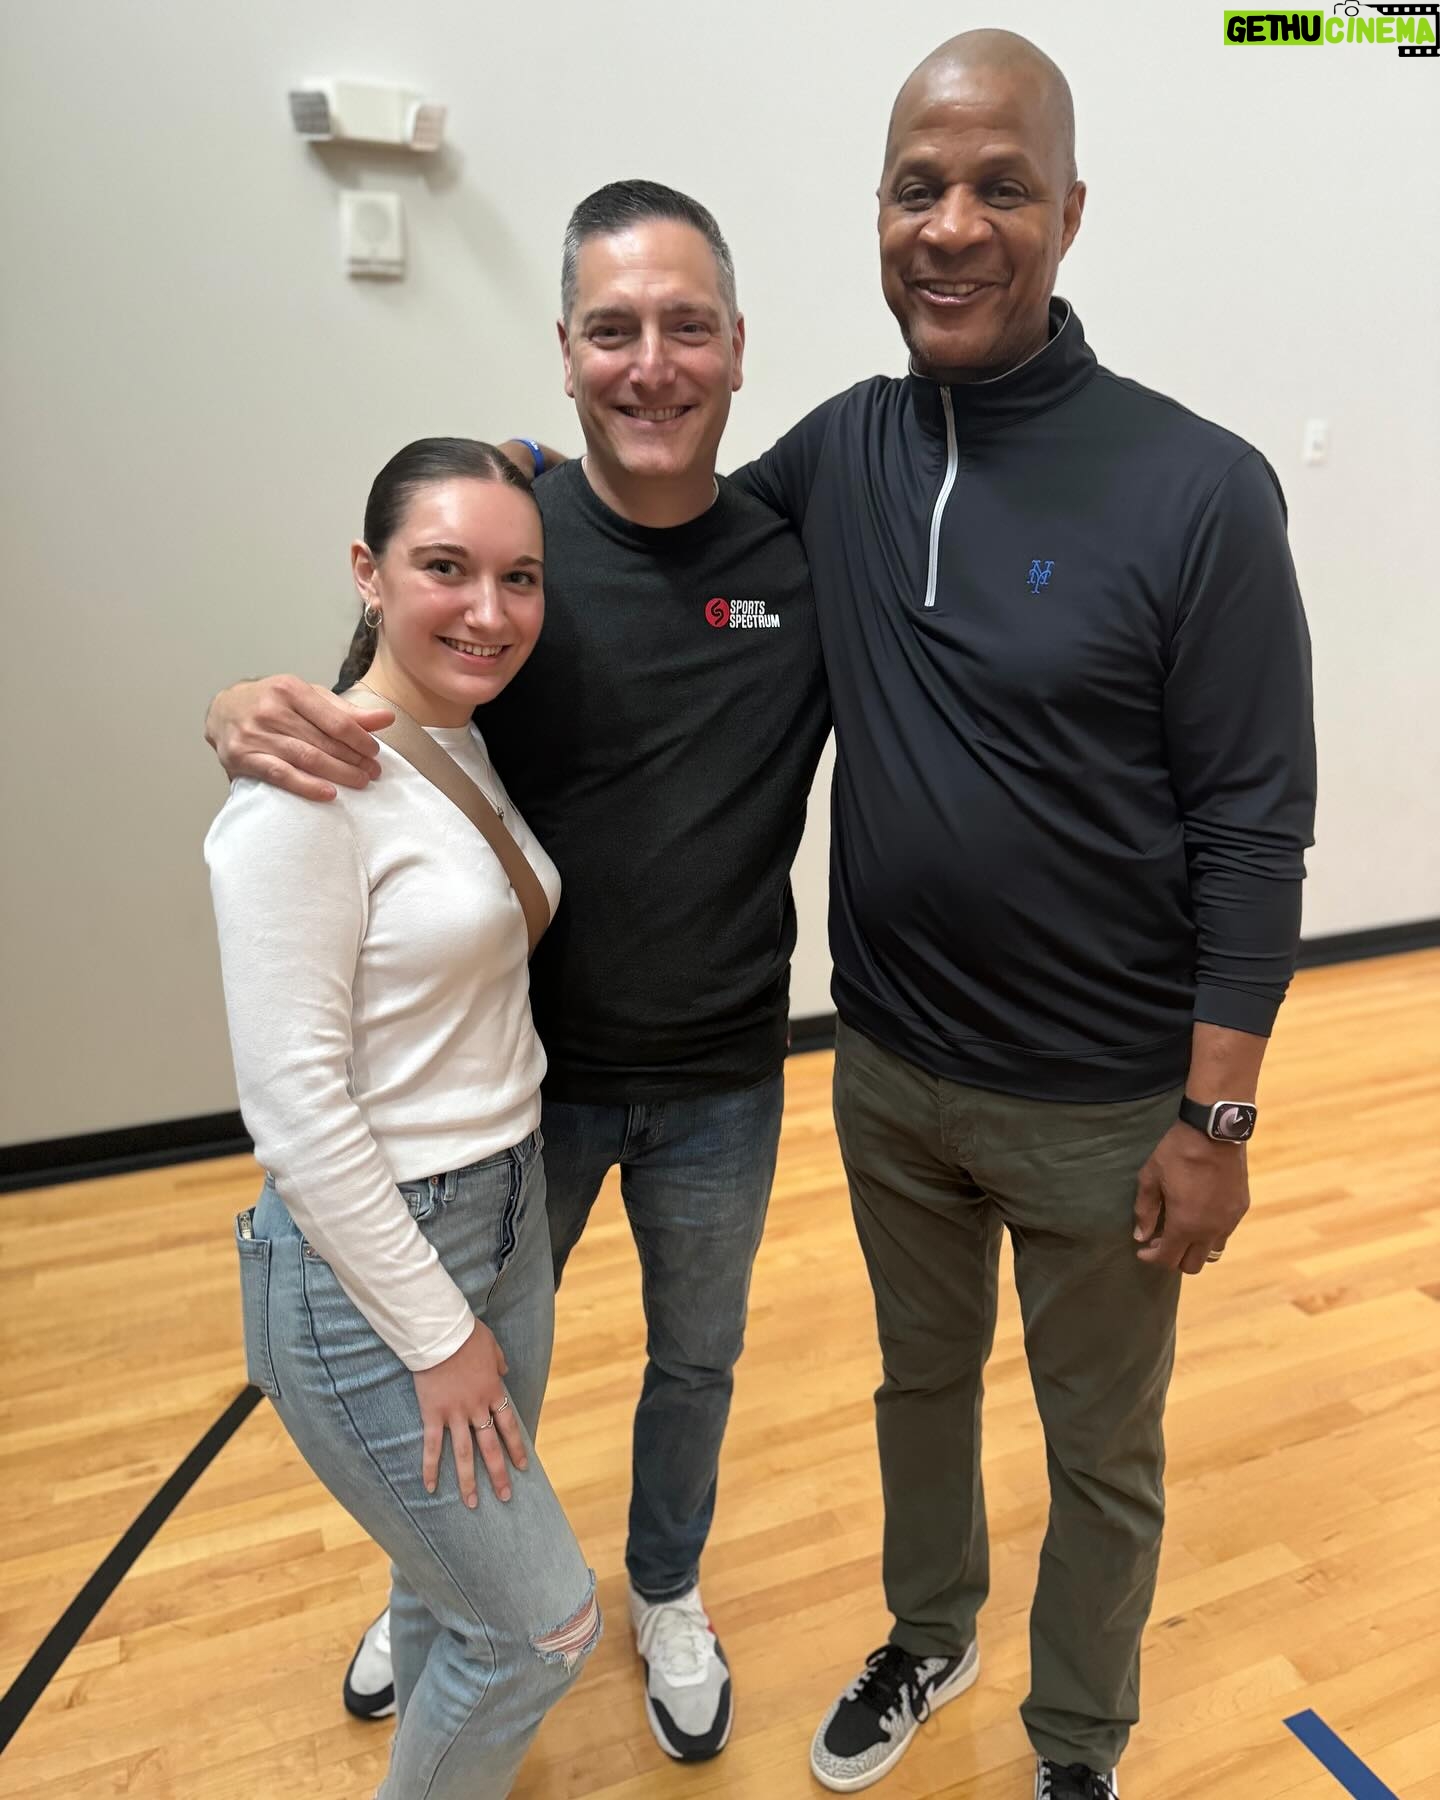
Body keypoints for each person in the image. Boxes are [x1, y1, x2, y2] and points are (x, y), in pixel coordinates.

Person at [724, 30, 1317, 1800]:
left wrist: (1215, 1122)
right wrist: (499, 498)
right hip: (891, 1074)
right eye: (919, 188)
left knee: (1100, 1454)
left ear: (1071, 212)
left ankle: (1077, 1746)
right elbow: (654, 555)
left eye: (1002, 187)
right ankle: (931, 1633)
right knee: (920, 1388)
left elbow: (1254, 828)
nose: (954, 225)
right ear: (878, 213)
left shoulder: (1199, 487)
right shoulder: (844, 451)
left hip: (1103, 1110)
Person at [204, 184, 830, 1763]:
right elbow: (373, 709)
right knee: (470, 1376)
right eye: (613, 328)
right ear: (563, 351)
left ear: (737, 345)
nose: (651, 361)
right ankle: (451, 1581)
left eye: (686, 325)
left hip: (723, 1079)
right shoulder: (520, 543)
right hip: (518, 1093)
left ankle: (665, 1588)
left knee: (696, 1361)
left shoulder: (800, 555)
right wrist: (239, 705)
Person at [205, 438, 598, 1800]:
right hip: (380, 1263)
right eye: (446, 568)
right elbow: (297, 1116)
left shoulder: (460, 739)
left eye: (520, 577)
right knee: (543, 1628)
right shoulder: (302, 790)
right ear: (368, 574)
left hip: (506, 1213)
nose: (489, 608)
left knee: (449, 1593)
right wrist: (437, 1336)